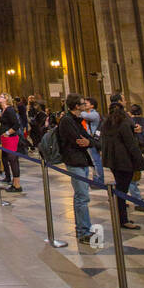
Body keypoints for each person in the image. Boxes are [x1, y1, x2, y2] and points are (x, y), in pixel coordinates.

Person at [100, 91, 144, 230]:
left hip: (112, 160)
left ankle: (121, 217)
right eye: (124, 100)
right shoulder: (124, 121)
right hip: (123, 160)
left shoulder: (107, 121)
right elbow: (130, 143)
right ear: (120, 104)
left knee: (120, 189)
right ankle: (123, 220)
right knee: (122, 190)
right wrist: (142, 162)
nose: (125, 102)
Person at [57, 92, 95, 243]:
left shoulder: (77, 120)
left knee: (82, 196)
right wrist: (87, 142)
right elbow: (77, 140)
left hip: (82, 161)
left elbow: (89, 140)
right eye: (83, 103)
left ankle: (84, 228)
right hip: (74, 161)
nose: (86, 105)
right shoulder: (67, 121)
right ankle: (82, 232)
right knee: (82, 197)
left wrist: (89, 142)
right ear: (76, 106)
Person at [80, 97, 104, 186]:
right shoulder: (89, 113)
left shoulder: (94, 114)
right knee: (94, 161)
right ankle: (96, 179)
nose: (84, 105)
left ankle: (99, 181)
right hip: (91, 139)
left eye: (86, 104)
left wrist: (79, 109)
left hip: (94, 140)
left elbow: (84, 116)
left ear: (92, 105)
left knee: (96, 161)